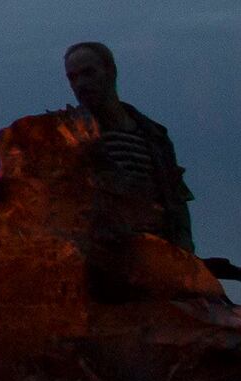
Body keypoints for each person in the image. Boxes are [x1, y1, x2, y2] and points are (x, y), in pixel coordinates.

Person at [61, 40, 193, 252]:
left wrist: (185, 255)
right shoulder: (67, 136)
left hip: (161, 261)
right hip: (106, 262)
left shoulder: (154, 137)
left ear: (110, 71)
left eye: (88, 73)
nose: (80, 84)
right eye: (73, 77)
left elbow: (175, 201)